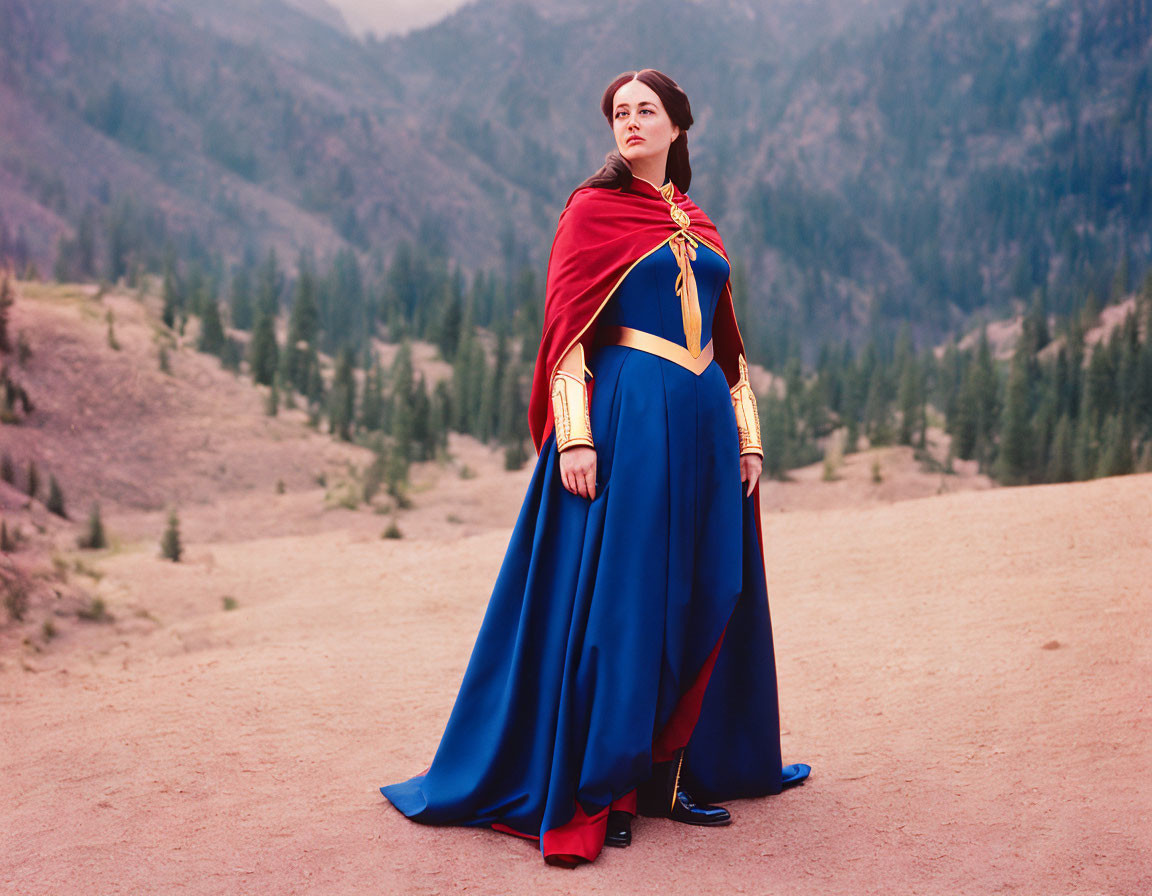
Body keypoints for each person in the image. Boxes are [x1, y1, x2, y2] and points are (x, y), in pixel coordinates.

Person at [380, 68, 810, 868]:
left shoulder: (697, 222)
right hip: (628, 422)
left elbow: (732, 346)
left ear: (679, 126)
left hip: (707, 428)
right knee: (627, 604)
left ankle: (671, 774)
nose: (632, 122)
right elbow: (566, 335)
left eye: (647, 111)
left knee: (709, 588)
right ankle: (604, 788)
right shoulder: (591, 211)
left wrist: (749, 437)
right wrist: (574, 437)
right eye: (620, 112)